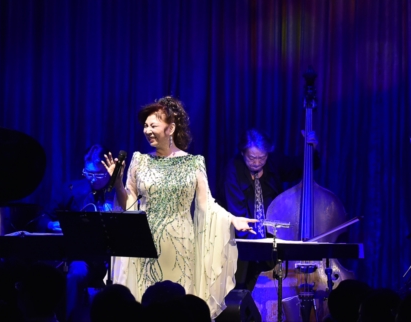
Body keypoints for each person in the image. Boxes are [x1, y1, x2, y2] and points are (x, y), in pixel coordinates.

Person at [103, 96, 256, 318]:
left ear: (171, 128)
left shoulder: (193, 163)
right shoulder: (139, 161)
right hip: (145, 244)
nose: (147, 131)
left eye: (153, 125)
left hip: (179, 246)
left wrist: (232, 219)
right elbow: (128, 205)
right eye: (145, 126)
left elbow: (207, 204)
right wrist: (117, 183)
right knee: (148, 307)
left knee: (177, 308)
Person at [222, 128, 319, 290]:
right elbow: (238, 214)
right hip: (243, 243)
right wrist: (258, 247)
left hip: (272, 239)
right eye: (252, 158)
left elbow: (298, 166)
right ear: (243, 153)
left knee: (273, 288)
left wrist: (311, 149)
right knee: (243, 287)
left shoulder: (273, 162)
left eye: (262, 157)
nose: (257, 162)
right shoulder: (232, 171)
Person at [39, 144, 116, 320]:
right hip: (85, 258)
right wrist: (50, 225)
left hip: (116, 258)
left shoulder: (120, 189)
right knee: (75, 275)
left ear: (108, 169)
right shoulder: (71, 189)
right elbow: (43, 217)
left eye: (98, 174)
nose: (92, 179)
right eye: (88, 173)